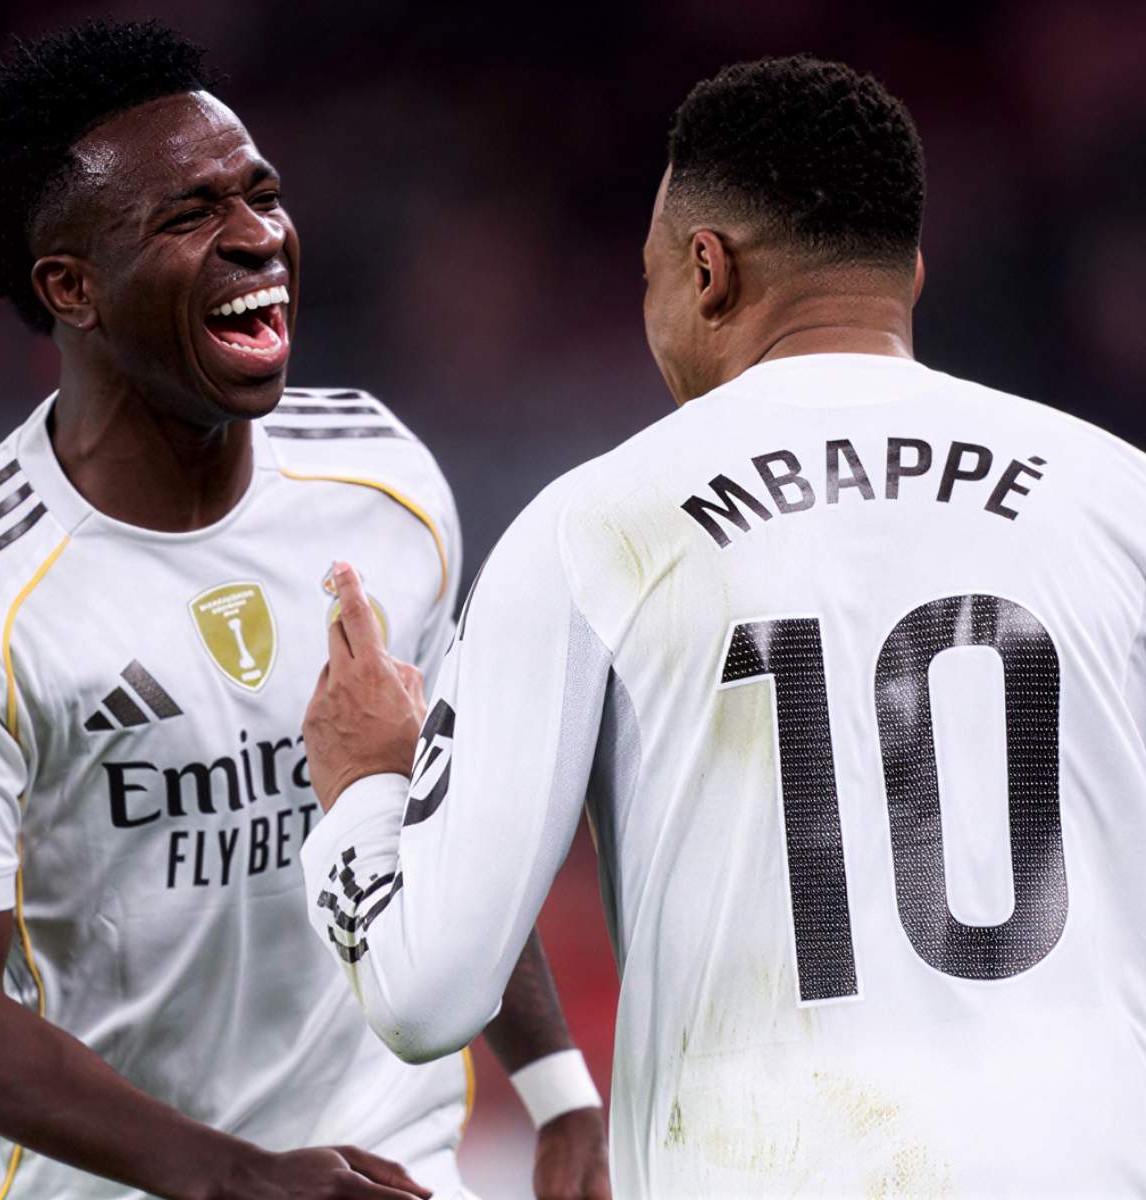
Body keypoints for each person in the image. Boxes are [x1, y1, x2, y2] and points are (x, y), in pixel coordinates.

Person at [301, 54, 1146, 1196]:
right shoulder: (1115, 496)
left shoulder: (594, 528)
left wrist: (363, 788)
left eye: (647, 271)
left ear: (704, 268)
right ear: (908, 269)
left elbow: (421, 992)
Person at [0, 19, 608, 1200]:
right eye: (188, 215)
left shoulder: (380, 479)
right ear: (70, 287)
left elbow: (443, 829)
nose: (257, 237)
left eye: (259, 194)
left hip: (385, 1168)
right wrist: (243, 1182)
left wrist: (559, 1098)